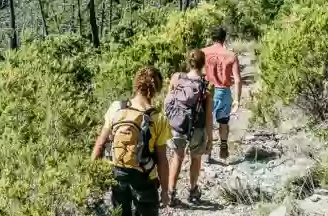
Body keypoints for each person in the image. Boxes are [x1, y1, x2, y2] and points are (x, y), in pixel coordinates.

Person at [92, 66, 171, 216]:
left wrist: (91, 174)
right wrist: (165, 191)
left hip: (118, 173)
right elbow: (162, 159)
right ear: (157, 89)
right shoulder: (159, 118)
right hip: (145, 177)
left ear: (136, 84)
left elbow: (100, 143)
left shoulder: (116, 107)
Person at [164, 49, 214, 205]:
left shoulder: (176, 77)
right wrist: (210, 137)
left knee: (177, 157)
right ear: (203, 63)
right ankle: (193, 191)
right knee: (196, 158)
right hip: (197, 128)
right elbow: (208, 114)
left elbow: (168, 101)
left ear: (188, 62)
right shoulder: (207, 85)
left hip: (177, 125)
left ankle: (170, 193)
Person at [201, 26, 242, 161]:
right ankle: (223, 144)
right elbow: (237, 79)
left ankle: (207, 152)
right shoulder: (231, 55)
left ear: (212, 38)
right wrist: (237, 99)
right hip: (224, 92)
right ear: (224, 38)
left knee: (207, 122)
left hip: (207, 91)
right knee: (223, 122)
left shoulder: (203, 52)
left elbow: (198, 73)